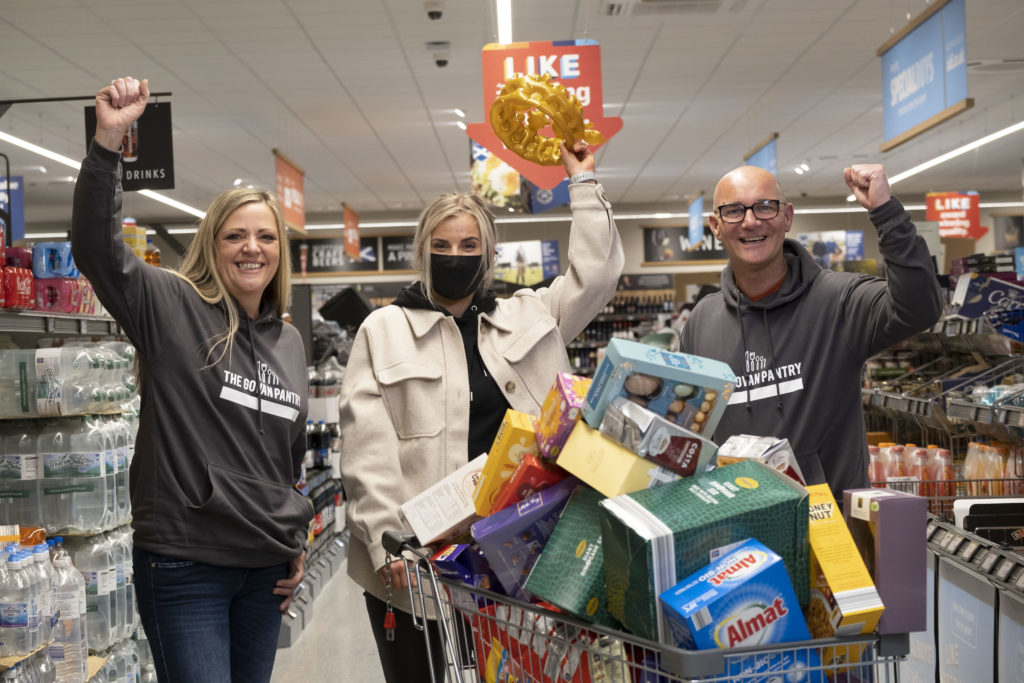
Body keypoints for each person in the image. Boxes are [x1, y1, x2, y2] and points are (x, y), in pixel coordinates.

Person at [338, 140, 623, 682]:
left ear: (489, 254)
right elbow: (367, 451)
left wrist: (582, 183)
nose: (455, 254)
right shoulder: (384, 330)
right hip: (419, 568)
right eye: (441, 244)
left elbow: (598, 275)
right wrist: (384, 544)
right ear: (422, 252)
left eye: (469, 244)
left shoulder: (532, 314)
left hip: (525, 556)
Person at [71, 77, 311, 683]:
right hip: (186, 565)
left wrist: (296, 541)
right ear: (212, 244)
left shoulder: (288, 342)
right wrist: (108, 142)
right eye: (235, 235)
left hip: (266, 570)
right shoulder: (169, 304)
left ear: (280, 250)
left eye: (265, 236)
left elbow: (287, 460)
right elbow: (97, 248)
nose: (251, 248)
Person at [680, 164, 943, 499]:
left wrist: (886, 214)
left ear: (787, 216)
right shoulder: (703, 320)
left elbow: (919, 308)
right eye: (734, 211)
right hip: (739, 532)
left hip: (831, 536)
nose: (750, 221)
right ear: (716, 226)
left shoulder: (839, 301)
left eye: (765, 207)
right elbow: (690, 427)